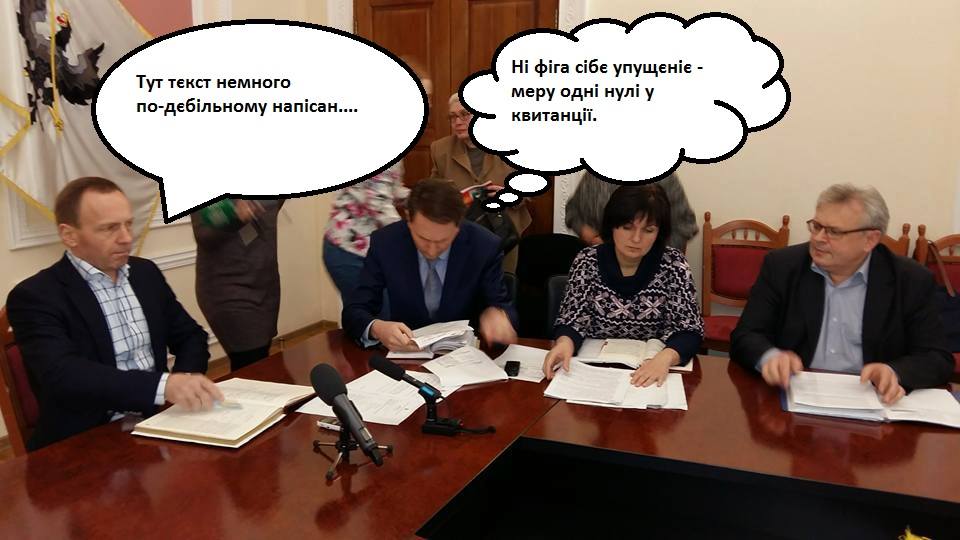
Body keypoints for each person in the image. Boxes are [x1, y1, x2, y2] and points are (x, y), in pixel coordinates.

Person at [7, 177, 222, 450]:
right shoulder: (35, 296)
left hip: (159, 419)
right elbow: (63, 374)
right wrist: (162, 386)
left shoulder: (145, 273)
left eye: (128, 224)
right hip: (85, 439)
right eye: (109, 228)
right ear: (69, 235)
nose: (126, 238)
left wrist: (184, 383)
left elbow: (191, 336)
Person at [731, 184, 953, 404]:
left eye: (833, 232)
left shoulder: (911, 280)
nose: (818, 238)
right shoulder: (782, 266)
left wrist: (894, 371)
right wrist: (770, 357)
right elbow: (746, 335)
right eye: (816, 226)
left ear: (870, 239)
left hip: (874, 403)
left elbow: (937, 358)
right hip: (794, 398)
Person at [543, 185, 704, 386]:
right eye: (627, 227)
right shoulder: (587, 261)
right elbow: (572, 319)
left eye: (648, 230)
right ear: (612, 225)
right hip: (593, 372)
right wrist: (564, 343)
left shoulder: (673, 265)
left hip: (650, 372)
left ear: (659, 232)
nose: (636, 239)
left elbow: (689, 330)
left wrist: (665, 358)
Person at [342, 178, 518, 351]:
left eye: (442, 241)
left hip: (464, 355)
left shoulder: (484, 246)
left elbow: (504, 308)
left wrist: (500, 319)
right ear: (409, 219)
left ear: (458, 226)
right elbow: (354, 310)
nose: (432, 251)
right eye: (423, 239)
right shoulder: (386, 242)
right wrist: (376, 328)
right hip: (407, 354)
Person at [323, 60, 432, 303]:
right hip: (351, 251)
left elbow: (386, 189)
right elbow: (378, 204)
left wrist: (421, 199)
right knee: (378, 317)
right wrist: (418, 239)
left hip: (359, 248)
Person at [430, 92, 532, 271]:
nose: (457, 122)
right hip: (461, 235)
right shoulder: (440, 149)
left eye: (464, 114)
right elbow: (434, 192)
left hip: (503, 232)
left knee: (500, 283)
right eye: (453, 117)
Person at [191, 199, 283, 371]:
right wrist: (235, 216)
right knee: (252, 366)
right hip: (229, 289)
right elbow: (203, 235)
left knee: (259, 360)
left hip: (265, 286)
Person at [565, 171, 699, 252]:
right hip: (598, 262)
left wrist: (649, 253)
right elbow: (573, 211)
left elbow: (685, 226)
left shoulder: (664, 176)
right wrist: (588, 234)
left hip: (651, 269)